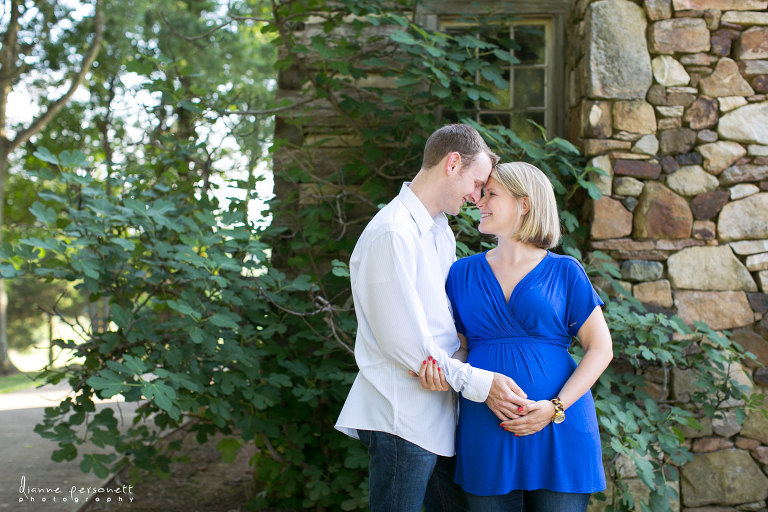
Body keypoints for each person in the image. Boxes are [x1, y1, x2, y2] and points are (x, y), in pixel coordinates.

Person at [335, 125, 532, 512]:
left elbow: (444, 331)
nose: (477, 197)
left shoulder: (440, 233)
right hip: (402, 417)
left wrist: (457, 358)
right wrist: (481, 383)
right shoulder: (392, 233)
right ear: (452, 163)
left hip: (439, 415)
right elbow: (408, 347)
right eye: (477, 183)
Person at [417, 161, 613, 512]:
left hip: (560, 427)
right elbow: (458, 346)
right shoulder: (461, 273)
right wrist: (444, 372)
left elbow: (600, 348)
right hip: (486, 426)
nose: (479, 200)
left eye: (491, 193)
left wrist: (555, 408)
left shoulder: (566, 271)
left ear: (524, 204)